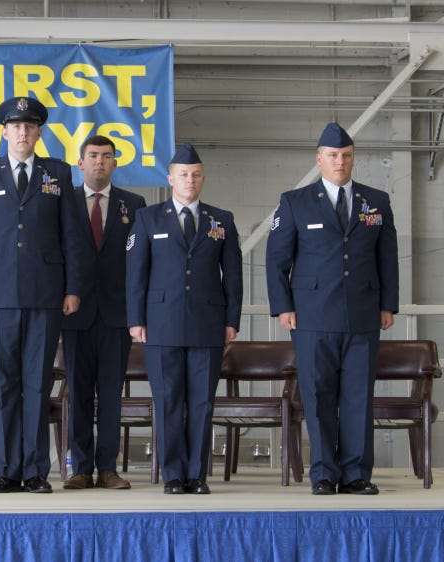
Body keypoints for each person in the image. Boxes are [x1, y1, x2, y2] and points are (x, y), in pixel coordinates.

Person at [0, 96, 83, 494]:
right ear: (4, 132)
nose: (23, 133)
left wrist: (73, 287)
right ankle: (7, 470)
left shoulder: (58, 173)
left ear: (39, 133)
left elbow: (71, 236)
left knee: (37, 382)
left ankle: (35, 471)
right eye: (16, 127)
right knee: (6, 382)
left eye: (30, 127)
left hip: (46, 293)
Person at [266, 123, 398, 496]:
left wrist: (388, 304)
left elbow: (387, 257)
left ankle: (356, 474)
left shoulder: (377, 201)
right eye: (333, 156)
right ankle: (324, 473)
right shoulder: (295, 201)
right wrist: (283, 307)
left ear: (353, 158)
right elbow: (276, 259)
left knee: (358, 396)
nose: (340, 162)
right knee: (319, 395)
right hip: (312, 315)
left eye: (346, 156)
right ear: (319, 159)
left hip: (363, 313)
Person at [126, 143, 242, 495]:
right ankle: (174, 474)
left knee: (203, 402)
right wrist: (136, 319)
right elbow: (136, 274)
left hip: (208, 323)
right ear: (170, 178)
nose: (189, 181)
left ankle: (197, 474)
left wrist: (232, 320)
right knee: (168, 400)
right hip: (160, 323)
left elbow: (233, 276)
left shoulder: (221, 220)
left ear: (202, 178)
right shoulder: (148, 218)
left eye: (195, 175)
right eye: (183, 175)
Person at [61, 135, 146, 491]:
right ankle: (80, 467)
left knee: (112, 392)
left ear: (115, 163)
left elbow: (141, 261)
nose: (99, 161)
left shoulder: (135, 204)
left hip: (116, 314)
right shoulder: (63, 202)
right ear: (80, 163)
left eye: (106, 156)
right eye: (93, 156)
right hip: (75, 311)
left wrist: (137, 311)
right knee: (78, 391)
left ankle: (108, 467)